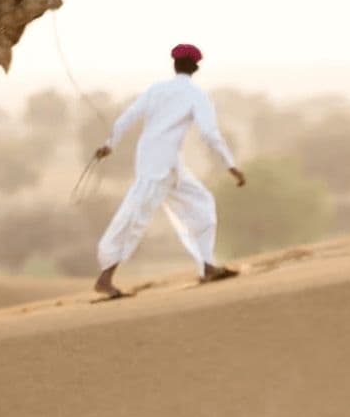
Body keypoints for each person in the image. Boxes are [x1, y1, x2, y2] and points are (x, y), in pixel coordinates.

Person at [91, 43, 246, 300]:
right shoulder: (196, 95)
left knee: (201, 204)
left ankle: (207, 266)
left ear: (175, 65)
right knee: (134, 217)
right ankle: (105, 279)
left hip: (166, 162)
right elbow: (209, 133)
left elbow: (128, 116)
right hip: (157, 166)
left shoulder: (156, 90)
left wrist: (110, 144)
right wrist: (230, 165)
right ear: (196, 67)